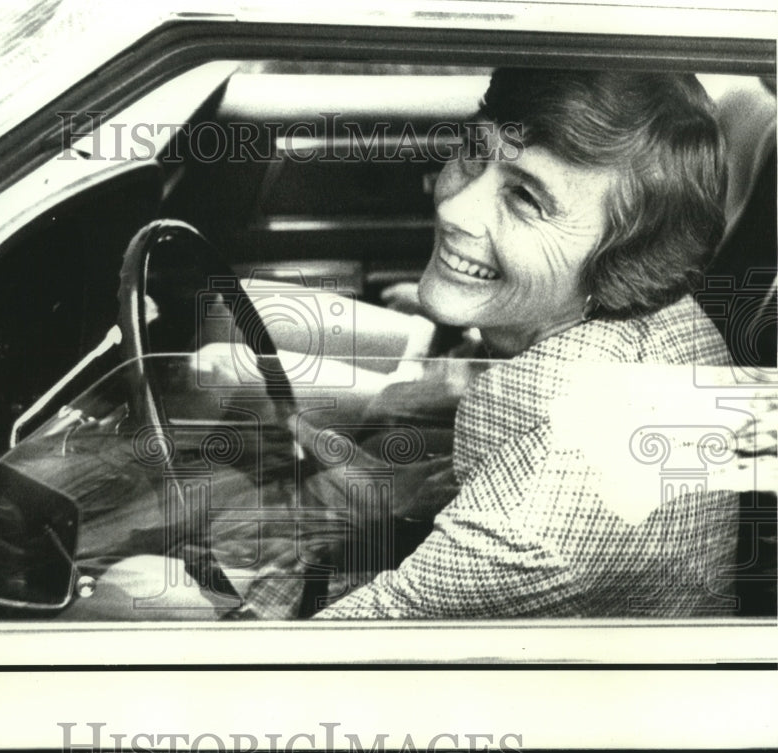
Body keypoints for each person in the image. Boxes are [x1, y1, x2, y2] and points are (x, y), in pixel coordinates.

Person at [302, 68, 742, 618]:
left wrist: (200, 599)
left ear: (625, 262)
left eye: (526, 198)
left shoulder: (538, 521)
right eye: (473, 151)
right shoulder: (632, 311)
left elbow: (317, 662)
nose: (453, 208)